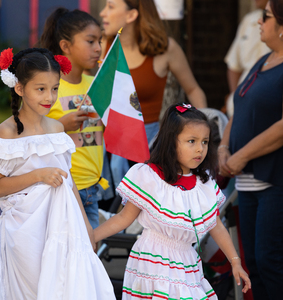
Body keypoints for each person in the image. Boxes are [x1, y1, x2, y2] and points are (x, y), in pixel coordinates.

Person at [0, 47, 115, 299]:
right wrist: (38, 176)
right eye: (41, 89)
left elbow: (69, 182)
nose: (50, 97)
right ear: (20, 88)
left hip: (62, 224)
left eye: (55, 88)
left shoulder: (57, 128)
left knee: (66, 286)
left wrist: (85, 225)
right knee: (35, 290)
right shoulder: (8, 131)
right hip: (26, 231)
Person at [94, 103, 251, 299]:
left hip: (187, 261)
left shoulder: (204, 185)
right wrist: (91, 237)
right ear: (171, 141)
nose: (199, 149)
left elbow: (216, 226)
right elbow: (123, 218)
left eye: (204, 142)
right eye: (191, 141)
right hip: (152, 259)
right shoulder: (150, 177)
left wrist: (235, 261)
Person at [99, 0, 208, 188]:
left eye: (110, 7)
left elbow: (193, 90)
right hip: (103, 143)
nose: (102, 13)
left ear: (131, 15)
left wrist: (202, 133)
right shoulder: (101, 44)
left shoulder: (165, 48)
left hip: (146, 146)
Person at [218, 1, 283, 298]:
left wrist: (242, 155)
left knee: (271, 261)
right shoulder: (264, 60)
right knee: (254, 262)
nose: (259, 22)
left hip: (274, 180)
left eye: (266, 17)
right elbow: (238, 108)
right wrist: (223, 148)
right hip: (246, 182)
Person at [40, 8, 107, 228]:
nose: (98, 48)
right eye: (90, 41)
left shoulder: (96, 86)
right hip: (64, 188)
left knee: (89, 257)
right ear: (65, 46)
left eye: (100, 41)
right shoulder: (49, 88)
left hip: (93, 189)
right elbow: (25, 134)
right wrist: (61, 125)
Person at [224, 0, 270, 117]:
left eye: (268, 18)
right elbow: (234, 65)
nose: (260, 22)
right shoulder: (248, 20)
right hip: (239, 109)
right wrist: (236, 97)